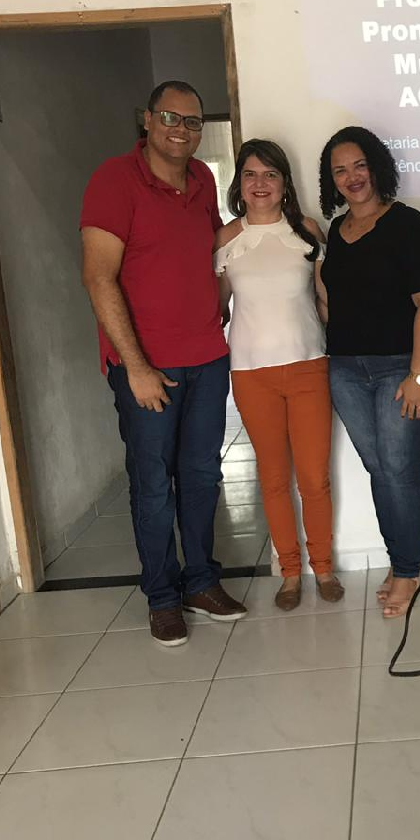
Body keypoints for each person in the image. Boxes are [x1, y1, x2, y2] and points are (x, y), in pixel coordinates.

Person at [80, 80, 248, 647]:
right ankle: (162, 596)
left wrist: (264, 221)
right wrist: (136, 367)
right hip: (148, 367)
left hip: (207, 358)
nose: (182, 130)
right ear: (148, 120)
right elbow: (98, 277)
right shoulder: (114, 180)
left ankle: (201, 582)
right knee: (153, 484)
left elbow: (208, 249)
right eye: (171, 118)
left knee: (202, 477)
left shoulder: (201, 179)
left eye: (193, 122)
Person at [317, 126, 420, 619]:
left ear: (376, 167)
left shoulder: (410, 225)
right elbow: (336, 302)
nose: (351, 177)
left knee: (399, 471)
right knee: (382, 470)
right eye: (340, 171)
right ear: (331, 180)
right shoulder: (336, 232)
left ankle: (407, 571)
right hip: (347, 369)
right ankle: (400, 562)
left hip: (403, 366)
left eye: (359, 165)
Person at [214, 139, 343, 610]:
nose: (260, 183)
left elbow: (326, 298)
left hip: (309, 366)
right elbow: (217, 308)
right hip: (251, 374)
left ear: (284, 182)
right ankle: (289, 573)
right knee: (272, 479)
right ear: (239, 184)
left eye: (270, 174)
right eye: (250, 174)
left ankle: (323, 567)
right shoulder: (227, 238)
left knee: (314, 478)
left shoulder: (306, 230)